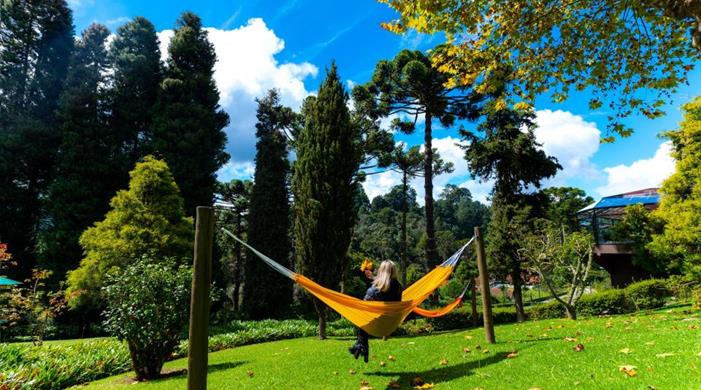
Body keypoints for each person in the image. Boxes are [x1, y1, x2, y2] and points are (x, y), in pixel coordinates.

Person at [348, 260, 403, 363]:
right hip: (391, 324)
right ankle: (361, 345)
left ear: (381, 272)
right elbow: (387, 287)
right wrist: (373, 278)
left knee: (361, 319)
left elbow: (364, 308)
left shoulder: (373, 291)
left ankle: (361, 345)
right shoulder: (399, 288)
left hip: (377, 325)